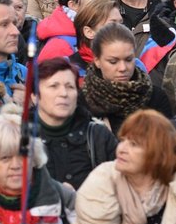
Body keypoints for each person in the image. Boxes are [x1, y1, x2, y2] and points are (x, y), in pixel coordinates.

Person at [35, 57, 118, 189]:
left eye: (70, 87)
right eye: (53, 86)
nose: (63, 93)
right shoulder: (18, 136)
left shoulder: (98, 136)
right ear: (35, 96)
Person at [81, 23, 172, 133]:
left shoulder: (155, 98)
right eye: (113, 62)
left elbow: (166, 144)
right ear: (97, 60)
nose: (123, 68)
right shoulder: (82, 102)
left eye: (129, 60)